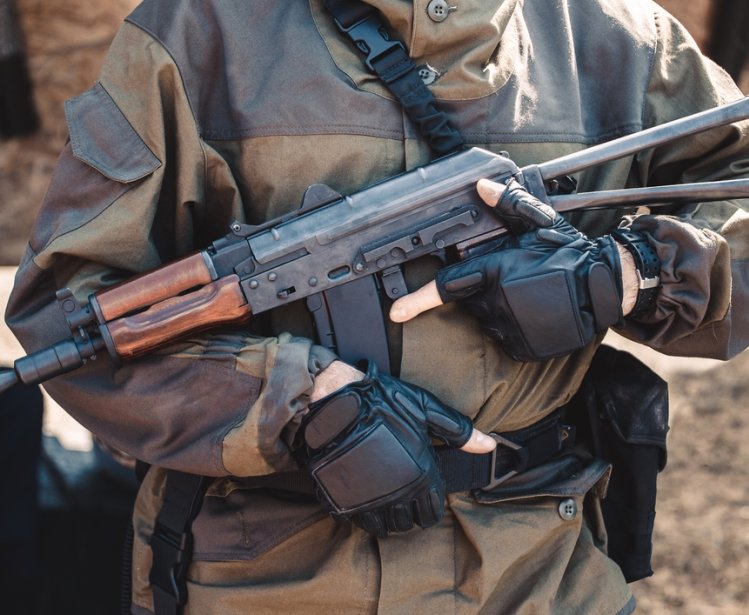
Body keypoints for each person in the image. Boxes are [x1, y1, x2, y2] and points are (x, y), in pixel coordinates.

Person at [5, 0, 748, 613]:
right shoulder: (200, 34)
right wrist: (296, 402)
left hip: (544, 569)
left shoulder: (621, 38)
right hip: (267, 575)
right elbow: (69, 321)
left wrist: (633, 271)